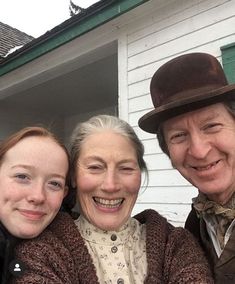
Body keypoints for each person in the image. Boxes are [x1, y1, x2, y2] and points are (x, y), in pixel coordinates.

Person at [12, 115, 213, 284]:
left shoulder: (177, 245)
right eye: (95, 167)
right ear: (73, 176)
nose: (110, 185)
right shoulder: (41, 251)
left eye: (126, 168)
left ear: (140, 174)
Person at [138, 52, 235, 283]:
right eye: (179, 136)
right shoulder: (194, 225)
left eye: (211, 126)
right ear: (168, 152)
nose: (199, 151)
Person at [0, 126, 69, 284]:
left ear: (64, 194)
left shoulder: (66, 246)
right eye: (22, 176)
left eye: (54, 183)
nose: (38, 196)